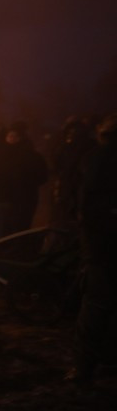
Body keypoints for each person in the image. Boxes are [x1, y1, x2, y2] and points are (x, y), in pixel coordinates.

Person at [70, 114, 117, 383]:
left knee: (96, 306)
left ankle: (84, 366)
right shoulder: (99, 159)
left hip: (102, 248)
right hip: (104, 245)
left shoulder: (99, 159)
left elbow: (86, 206)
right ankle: (106, 360)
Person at [4, 123, 48, 234]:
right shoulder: (34, 155)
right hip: (29, 196)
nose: (8, 139)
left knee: (11, 227)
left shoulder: (6, 156)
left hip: (12, 196)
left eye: (11, 136)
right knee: (23, 226)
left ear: (19, 138)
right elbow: (43, 176)